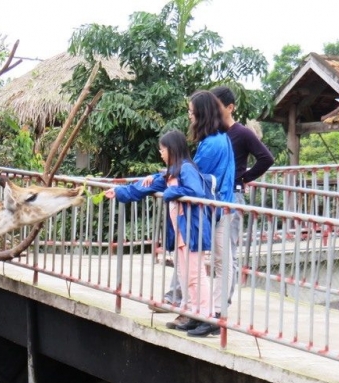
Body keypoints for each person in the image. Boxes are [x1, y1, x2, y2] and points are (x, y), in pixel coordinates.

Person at [105, 130, 214, 330]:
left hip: (193, 229)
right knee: (185, 273)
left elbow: (195, 191)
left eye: (162, 149)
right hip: (182, 231)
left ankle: (207, 317)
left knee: (195, 274)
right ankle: (192, 313)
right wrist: (119, 192)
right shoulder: (170, 173)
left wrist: (170, 192)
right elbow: (143, 188)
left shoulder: (187, 169)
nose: (160, 153)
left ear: (172, 149)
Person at [210, 85, 274, 297]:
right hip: (214, 196)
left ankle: (224, 302)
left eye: (217, 107)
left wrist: (245, 177)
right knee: (215, 251)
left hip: (233, 196)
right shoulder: (214, 133)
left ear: (230, 107)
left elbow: (266, 158)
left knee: (228, 251)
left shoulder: (243, 133)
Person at [182, 89, 236, 337]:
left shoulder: (212, 143)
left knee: (218, 263)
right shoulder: (216, 138)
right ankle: (206, 312)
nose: (190, 116)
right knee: (215, 263)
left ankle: (215, 315)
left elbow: (192, 175)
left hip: (217, 209)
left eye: (192, 112)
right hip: (219, 207)